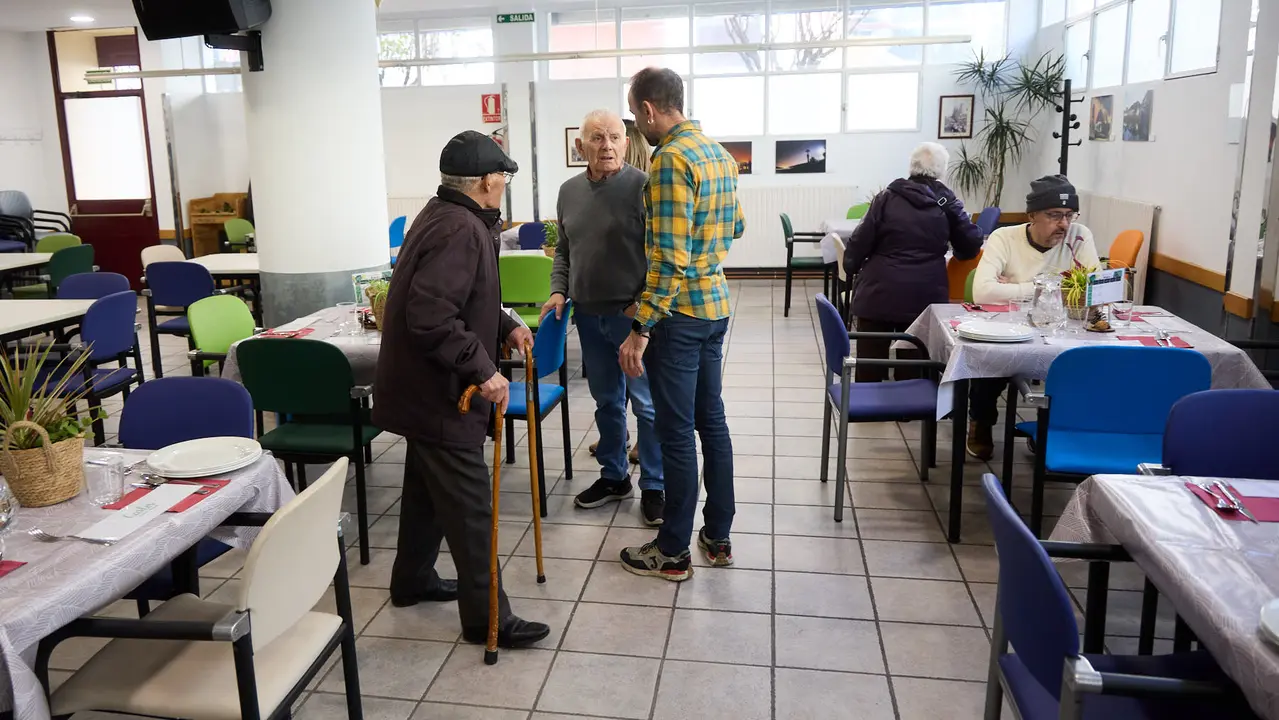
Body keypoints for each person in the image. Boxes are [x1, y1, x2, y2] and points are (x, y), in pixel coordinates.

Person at [372, 130, 549, 648]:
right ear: (486, 181)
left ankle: (412, 580)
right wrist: (482, 369)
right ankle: (487, 618)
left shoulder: (444, 214)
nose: (505, 184)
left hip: (418, 391)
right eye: (504, 176)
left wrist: (505, 324)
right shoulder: (461, 229)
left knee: (426, 493)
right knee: (472, 510)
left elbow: (464, 295)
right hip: (440, 395)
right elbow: (431, 314)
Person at [618, 67, 744, 581]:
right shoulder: (718, 154)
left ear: (648, 109)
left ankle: (671, 550)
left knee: (675, 433)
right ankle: (717, 536)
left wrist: (641, 327)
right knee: (711, 422)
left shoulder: (669, 160)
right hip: (714, 306)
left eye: (635, 115)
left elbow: (668, 259)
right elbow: (736, 225)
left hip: (681, 319)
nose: (637, 128)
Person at [542, 110, 666, 526]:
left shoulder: (643, 188)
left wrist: (642, 309)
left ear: (626, 143)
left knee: (647, 406)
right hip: (588, 315)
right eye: (597, 138)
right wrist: (559, 289)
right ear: (582, 147)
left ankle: (655, 484)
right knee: (607, 402)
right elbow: (564, 249)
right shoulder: (568, 191)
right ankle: (614, 476)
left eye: (614, 137)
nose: (607, 145)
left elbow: (658, 252)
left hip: (630, 318)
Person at [966, 174, 1100, 459]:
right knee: (990, 359)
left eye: (1069, 215)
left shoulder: (1079, 236)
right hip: (1011, 329)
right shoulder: (1005, 238)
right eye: (1054, 215)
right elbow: (982, 292)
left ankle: (1056, 431)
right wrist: (1049, 288)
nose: (1063, 224)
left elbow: (1094, 289)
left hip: (1063, 329)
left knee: (1087, 364)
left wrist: (1012, 288)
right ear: (1032, 215)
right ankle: (981, 423)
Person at [843, 142, 983, 382]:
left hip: (878, 291)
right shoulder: (948, 203)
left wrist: (851, 266)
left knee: (871, 357)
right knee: (915, 358)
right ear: (942, 171)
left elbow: (860, 240)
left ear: (911, 167)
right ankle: (908, 408)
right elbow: (971, 244)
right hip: (924, 295)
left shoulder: (885, 198)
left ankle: (867, 405)